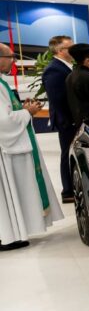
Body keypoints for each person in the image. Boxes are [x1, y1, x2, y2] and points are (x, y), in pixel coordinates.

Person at [0, 43, 64, 252]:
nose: (13, 61)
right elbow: (3, 122)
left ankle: (12, 234)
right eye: (10, 57)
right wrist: (28, 112)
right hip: (5, 152)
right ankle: (7, 236)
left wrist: (24, 109)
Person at [41, 35, 76, 203]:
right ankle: (68, 192)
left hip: (72, 120)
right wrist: (71, 121)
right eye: (71, 47)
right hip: (68, 121)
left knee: (71, 154)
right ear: (60, 50)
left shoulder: (65, 67)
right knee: (67, 155)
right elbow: (58, 99)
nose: (74, 50)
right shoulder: (54, 69)